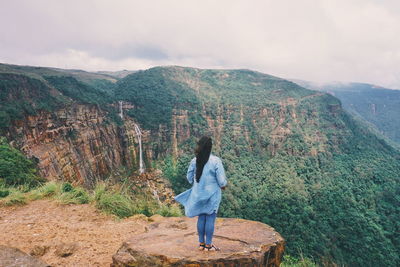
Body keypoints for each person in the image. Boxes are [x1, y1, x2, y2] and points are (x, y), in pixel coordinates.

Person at [174, 136, 228, 251]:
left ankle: (201, 244)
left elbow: (189, 177)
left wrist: (198, 184)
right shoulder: (216, 161)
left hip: (198, 194)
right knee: (210, 218)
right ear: (210, 147)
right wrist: (223, 186)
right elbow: (222, 181)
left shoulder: (194, 160)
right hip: (212, 195)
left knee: (201, 217)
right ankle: (209, 245)